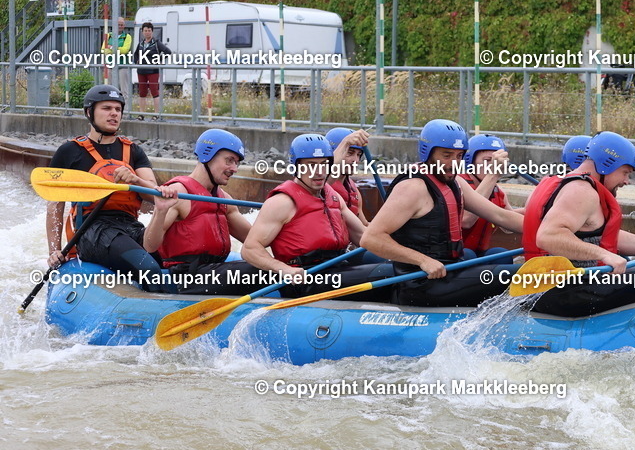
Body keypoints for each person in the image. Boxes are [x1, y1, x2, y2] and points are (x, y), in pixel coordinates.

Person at [523, 131, 635, 317]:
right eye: (625, 172)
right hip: (561, 292)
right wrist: (604, 254)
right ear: (607, 164)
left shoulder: (562, 182)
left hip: (549, 288)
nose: (626, 181)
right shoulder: (581, 191)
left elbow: (607, 237)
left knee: (631, 266)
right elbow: (548, 236)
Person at [360, 119, 524, 307]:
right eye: (446, 155)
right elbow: (371, 238)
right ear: (428, 153)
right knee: (521, 277)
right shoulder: (413, 187)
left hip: (451, 273)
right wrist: (422, 261)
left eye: (459, 156)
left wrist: (545, 231)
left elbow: (501, 216)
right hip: (421, 284)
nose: (454, 163)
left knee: (517, 272)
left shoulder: (455, 183)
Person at [44, 84, 174, 292]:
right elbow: (55, 205)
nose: (114, 113)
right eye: (106, 108)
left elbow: (153, 193)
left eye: (118, 109)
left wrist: (133, 180)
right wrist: (54, 250)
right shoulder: (70, 151)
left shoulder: (134, 151)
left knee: (167, 265)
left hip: (129, 226)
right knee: (148, 269)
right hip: (91, 230)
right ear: (89, 112)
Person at [241, 134, 387, 299]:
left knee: (397, 265)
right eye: (311, 165)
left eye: (324, 165)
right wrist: (284, 269)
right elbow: (250, 249)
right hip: (307, 280)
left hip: (336, 268)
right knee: (388, 274)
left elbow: (363, 236)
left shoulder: (332, 196)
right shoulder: (282, 202)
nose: (319, 172)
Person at [143, 129, 261, 295]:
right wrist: (160, 212)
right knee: (262, 270)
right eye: (229, 160)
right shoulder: (178, 193)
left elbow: (255, 240)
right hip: (189, 277)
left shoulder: (224, 199)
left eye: (237, 163)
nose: (234, 168)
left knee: (272, 266)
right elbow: (149, 245)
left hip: (214, 271)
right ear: (207, 156)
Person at [459, 133, 519, 263]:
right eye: (487, 160)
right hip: (456, 254)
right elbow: (466, 220)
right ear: (470, 161)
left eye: (496, 161)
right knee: (466, 254)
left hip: (478, 254)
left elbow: (508, 225)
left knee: (501, 254)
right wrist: (493, 174)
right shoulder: (458, 183)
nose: (491, 165)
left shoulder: (497, 191)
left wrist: (540, 209)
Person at [325, 127, 370, 226]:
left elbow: (364, 224)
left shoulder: (352, 187)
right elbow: (325, 184)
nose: (356, 160)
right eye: (350, 153)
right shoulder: (320, 185)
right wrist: (346, 142)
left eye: (358, 155)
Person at [132, 22, 171, 117]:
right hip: (141, 71)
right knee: (142, 92)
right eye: (145, 31)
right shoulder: (140, 44)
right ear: (142, 32)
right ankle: (141, 113)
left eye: (149, 31)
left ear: (152, 32)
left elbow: (167, 52)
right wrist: (136, 60)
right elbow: (135, 54)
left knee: (154, 91)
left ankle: (156, 114)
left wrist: (158, 60)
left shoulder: (156, 43)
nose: (147, 32)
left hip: (153, 71)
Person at [101, 17, 133, 116]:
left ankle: (126, 111)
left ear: (124, 25)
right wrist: (115, 49)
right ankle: (111, 111)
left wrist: (112, 48)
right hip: (110, 66)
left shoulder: (127, 36)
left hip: (122, 66)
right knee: (111, 90)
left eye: (121, 24)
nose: (120, 26)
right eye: (118, 24)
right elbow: (103, 50)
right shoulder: (108, 36)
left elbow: (125, 50)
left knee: (124, 90)